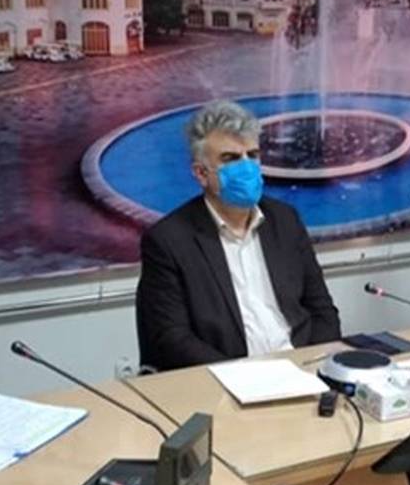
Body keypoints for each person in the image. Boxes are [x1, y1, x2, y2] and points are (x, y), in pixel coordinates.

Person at [136, 100, 340, 371]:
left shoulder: (285, 220)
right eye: (230, 158)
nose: (246, 166)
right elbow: (172, 338)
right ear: (201, 173)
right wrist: (244, 376)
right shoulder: (169, 240)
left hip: (301, 368)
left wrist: (316, 363)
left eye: (252, 155)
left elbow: (322, 310)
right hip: (227, 378)